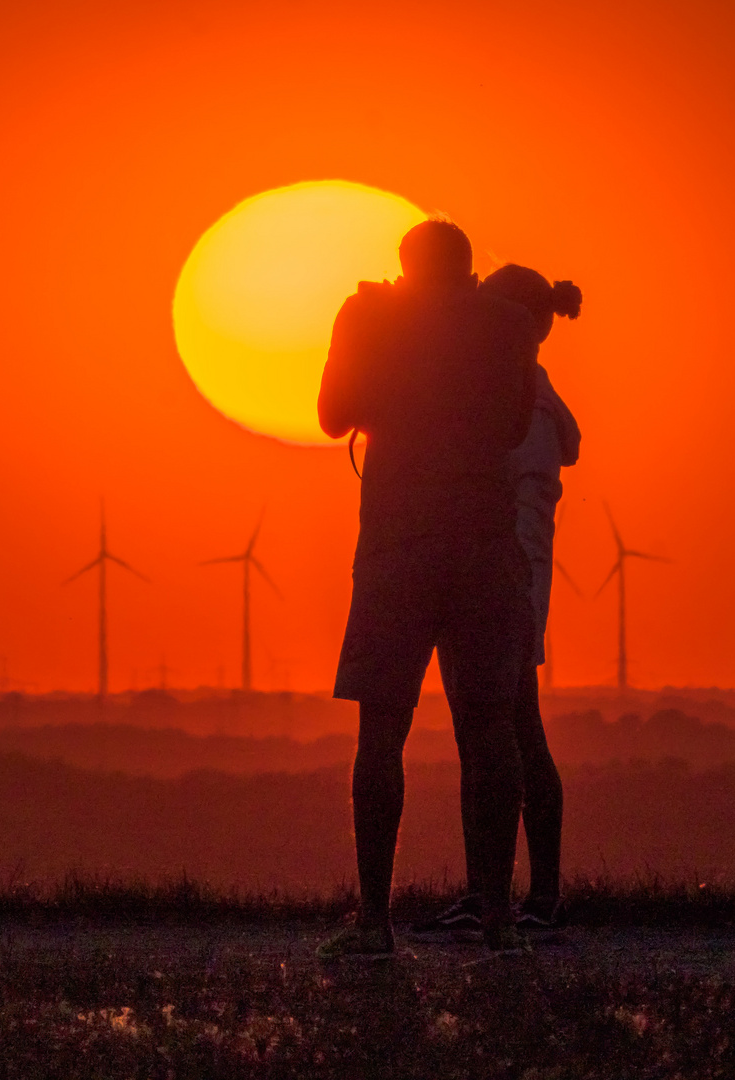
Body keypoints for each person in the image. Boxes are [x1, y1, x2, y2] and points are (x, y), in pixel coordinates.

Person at [314, 220, 539, 957]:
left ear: (406, 268)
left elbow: (330, 416)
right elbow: (511, 430)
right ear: (469, 270)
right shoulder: (506, 327)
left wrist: (376, 346)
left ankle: (375, 922)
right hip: (484, 542)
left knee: (382, 731)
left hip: (397, 545)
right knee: (491, 728)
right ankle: (501, 923)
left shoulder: (371, 317)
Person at [421, 265, 582, 938]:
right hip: (496, 578)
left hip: (507, 581)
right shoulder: (526, 399)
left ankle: (536, 898)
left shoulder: (530, 410)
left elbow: (516, 507)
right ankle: (490, 890)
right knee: (487, 736)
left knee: (516, 735)